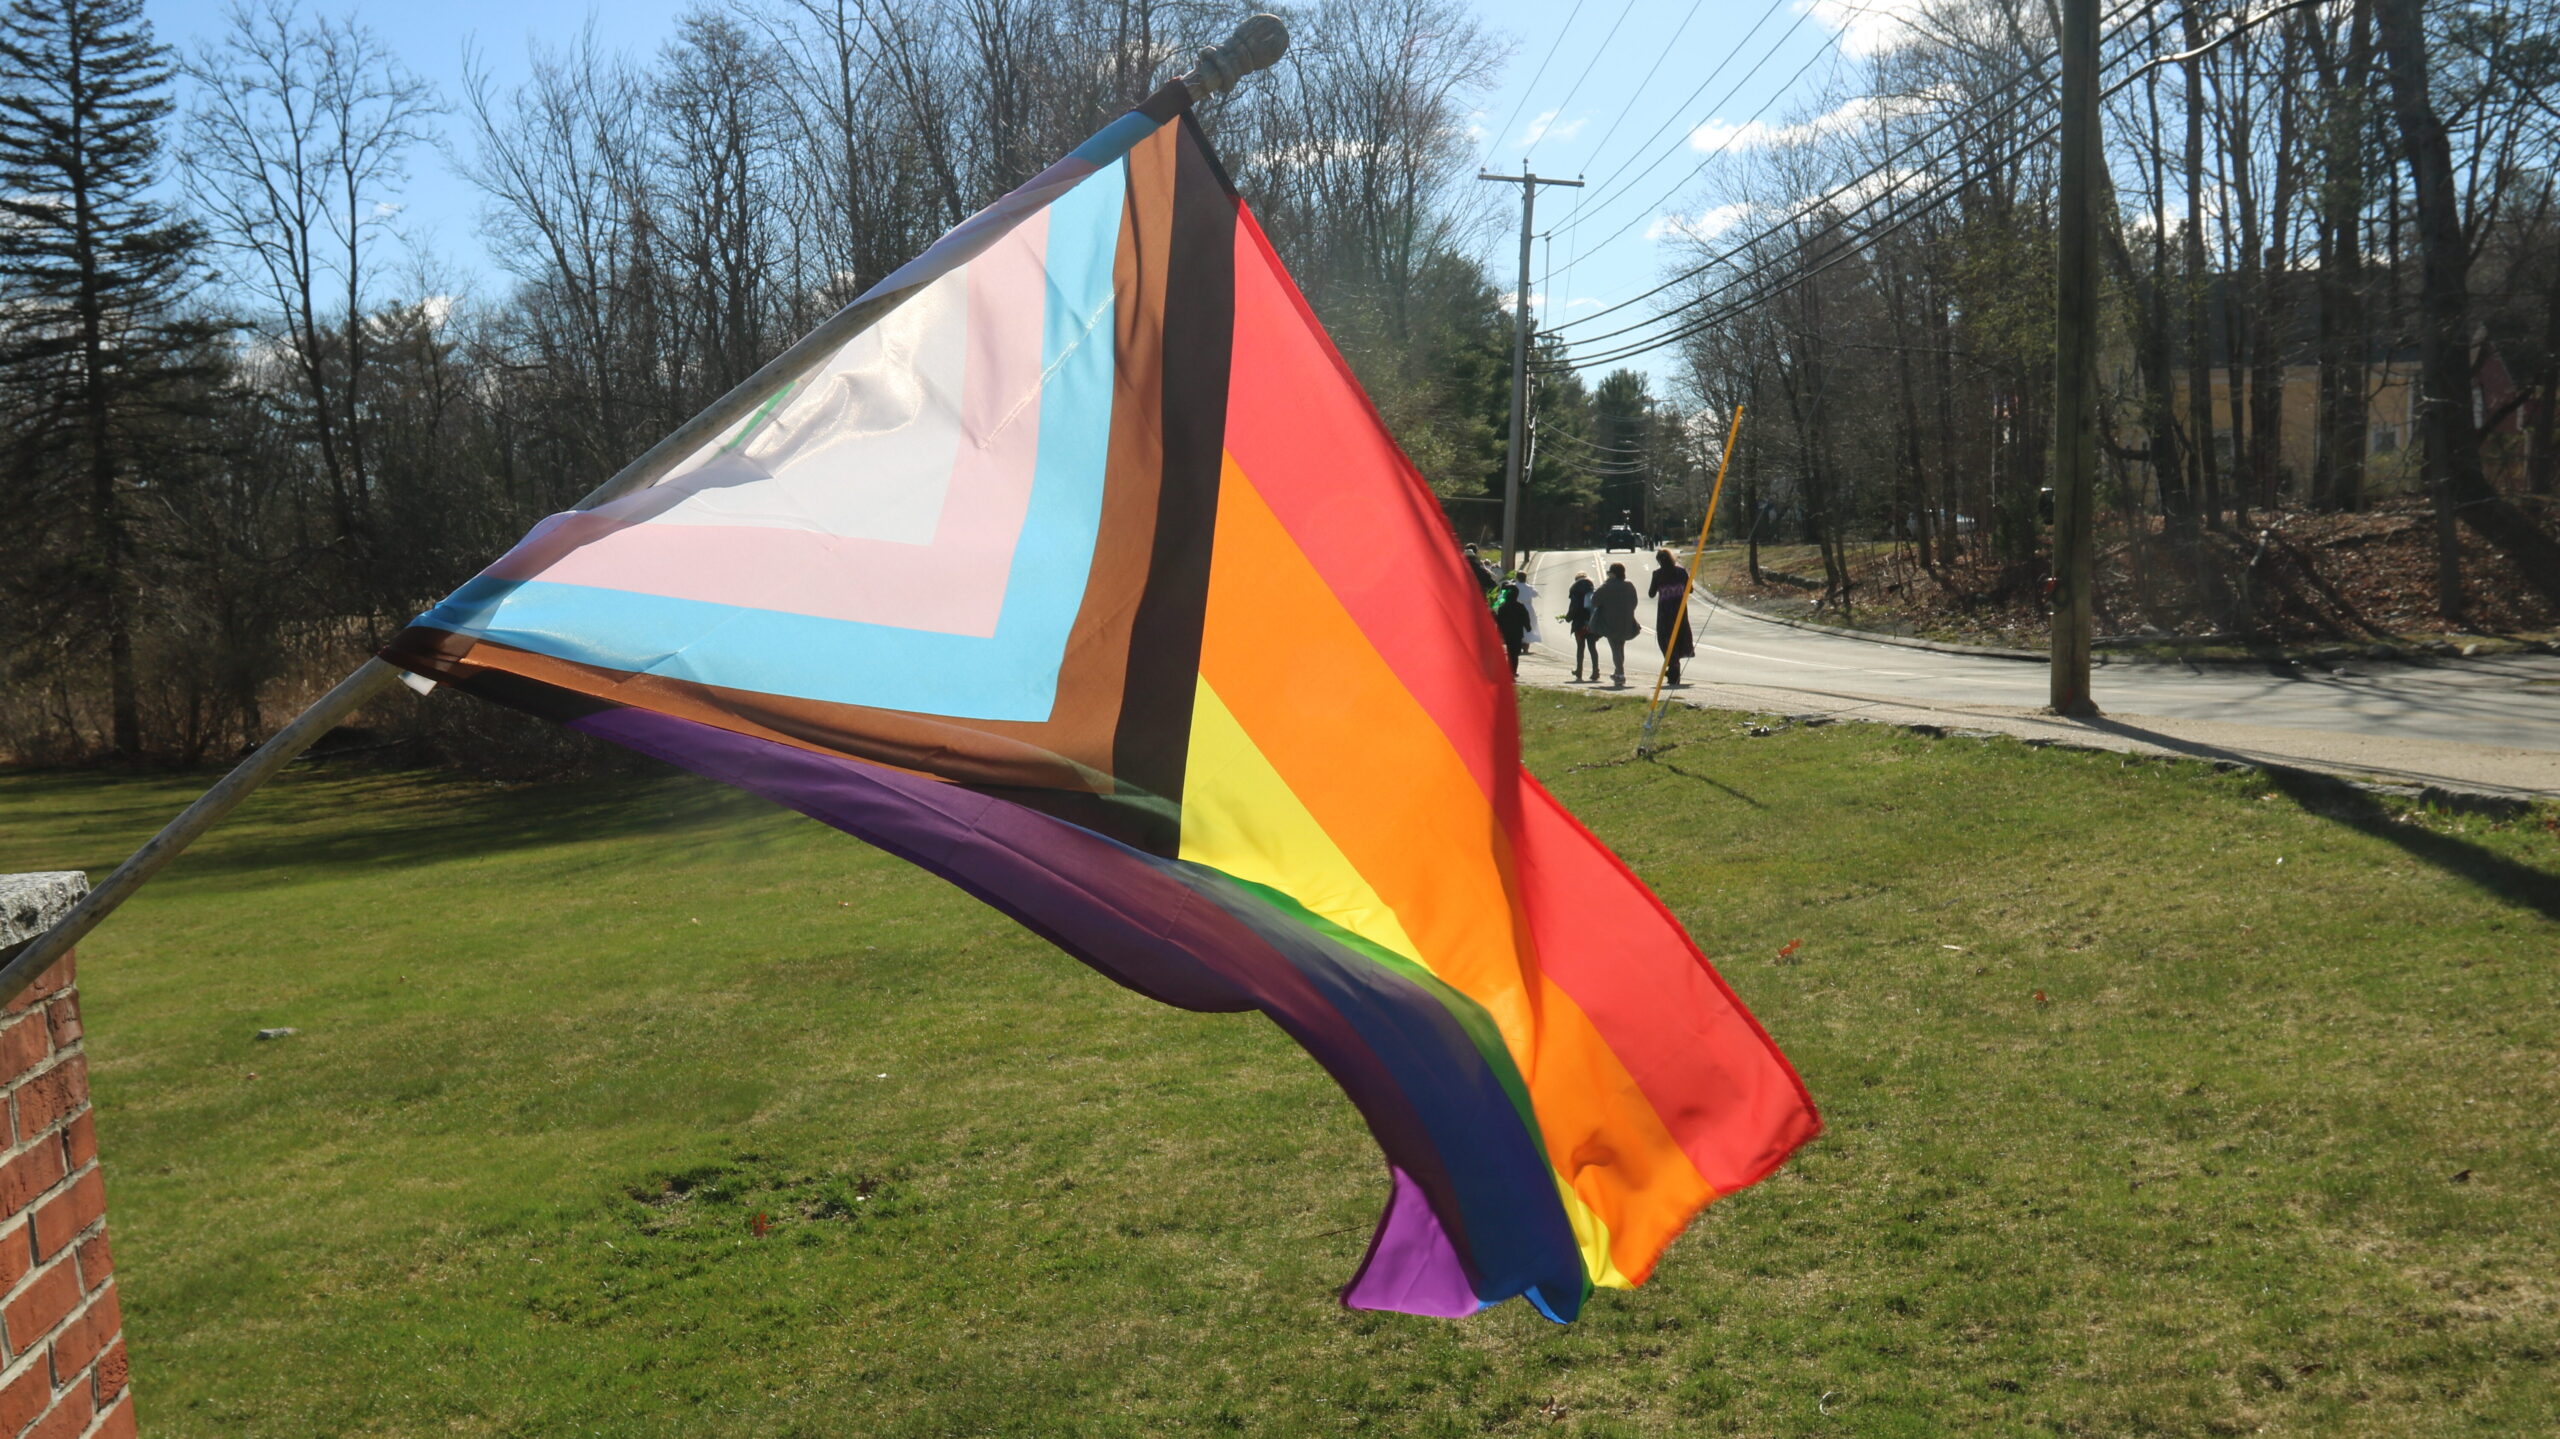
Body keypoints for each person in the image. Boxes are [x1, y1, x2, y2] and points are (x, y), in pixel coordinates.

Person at [1589, 563, 1643, 686]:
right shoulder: (1629, 585)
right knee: (1620, 646)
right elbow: (1634, 602)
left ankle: (1620, 674)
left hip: (1610, 621)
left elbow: (1594, 601)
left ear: (1612, 573)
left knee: (1615, 648)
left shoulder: (1606, 586)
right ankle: (1618, 672)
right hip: (1626, 620)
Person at [1648, 547, 1694, 685]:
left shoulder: (1657, 574)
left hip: (1665, 612)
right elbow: (1690, 589)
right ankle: (1674, 669)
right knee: (1680, 637)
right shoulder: (1681, 572)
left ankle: (1673, 668)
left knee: (1665, 640)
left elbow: (1651, 594)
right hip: (1680, 610)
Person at [1563, 571, 1599, 681]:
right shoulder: (1592, 591)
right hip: (1591, 623)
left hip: (1579, 623)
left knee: (1580, 648)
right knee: (1592, 647)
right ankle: (1595, 671)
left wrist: (1567, 618)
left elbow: (1573, 608)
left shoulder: (1575, 593)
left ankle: (1579, 671)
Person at [1492, 581, 1532, 678]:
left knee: (1510, 651)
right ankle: (1512, 671)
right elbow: (1525, 618)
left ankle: (1510, 670)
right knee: (1515, 653)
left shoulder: (1502, 607)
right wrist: (1528, 627)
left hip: (1506, 632)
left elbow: (1499, 620)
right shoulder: (1520, 606)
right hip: (1517, 633)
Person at [1507, 570, 1544, 646]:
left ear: (1517, 577)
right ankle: (1526, 644)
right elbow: (1536, 594)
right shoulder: (1529, 587)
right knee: (1528, 624)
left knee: (1516, 625)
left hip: (1515, 607)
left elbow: (1504, 596)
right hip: (1528, 608)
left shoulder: (1513, 586)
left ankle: (1517, 641)